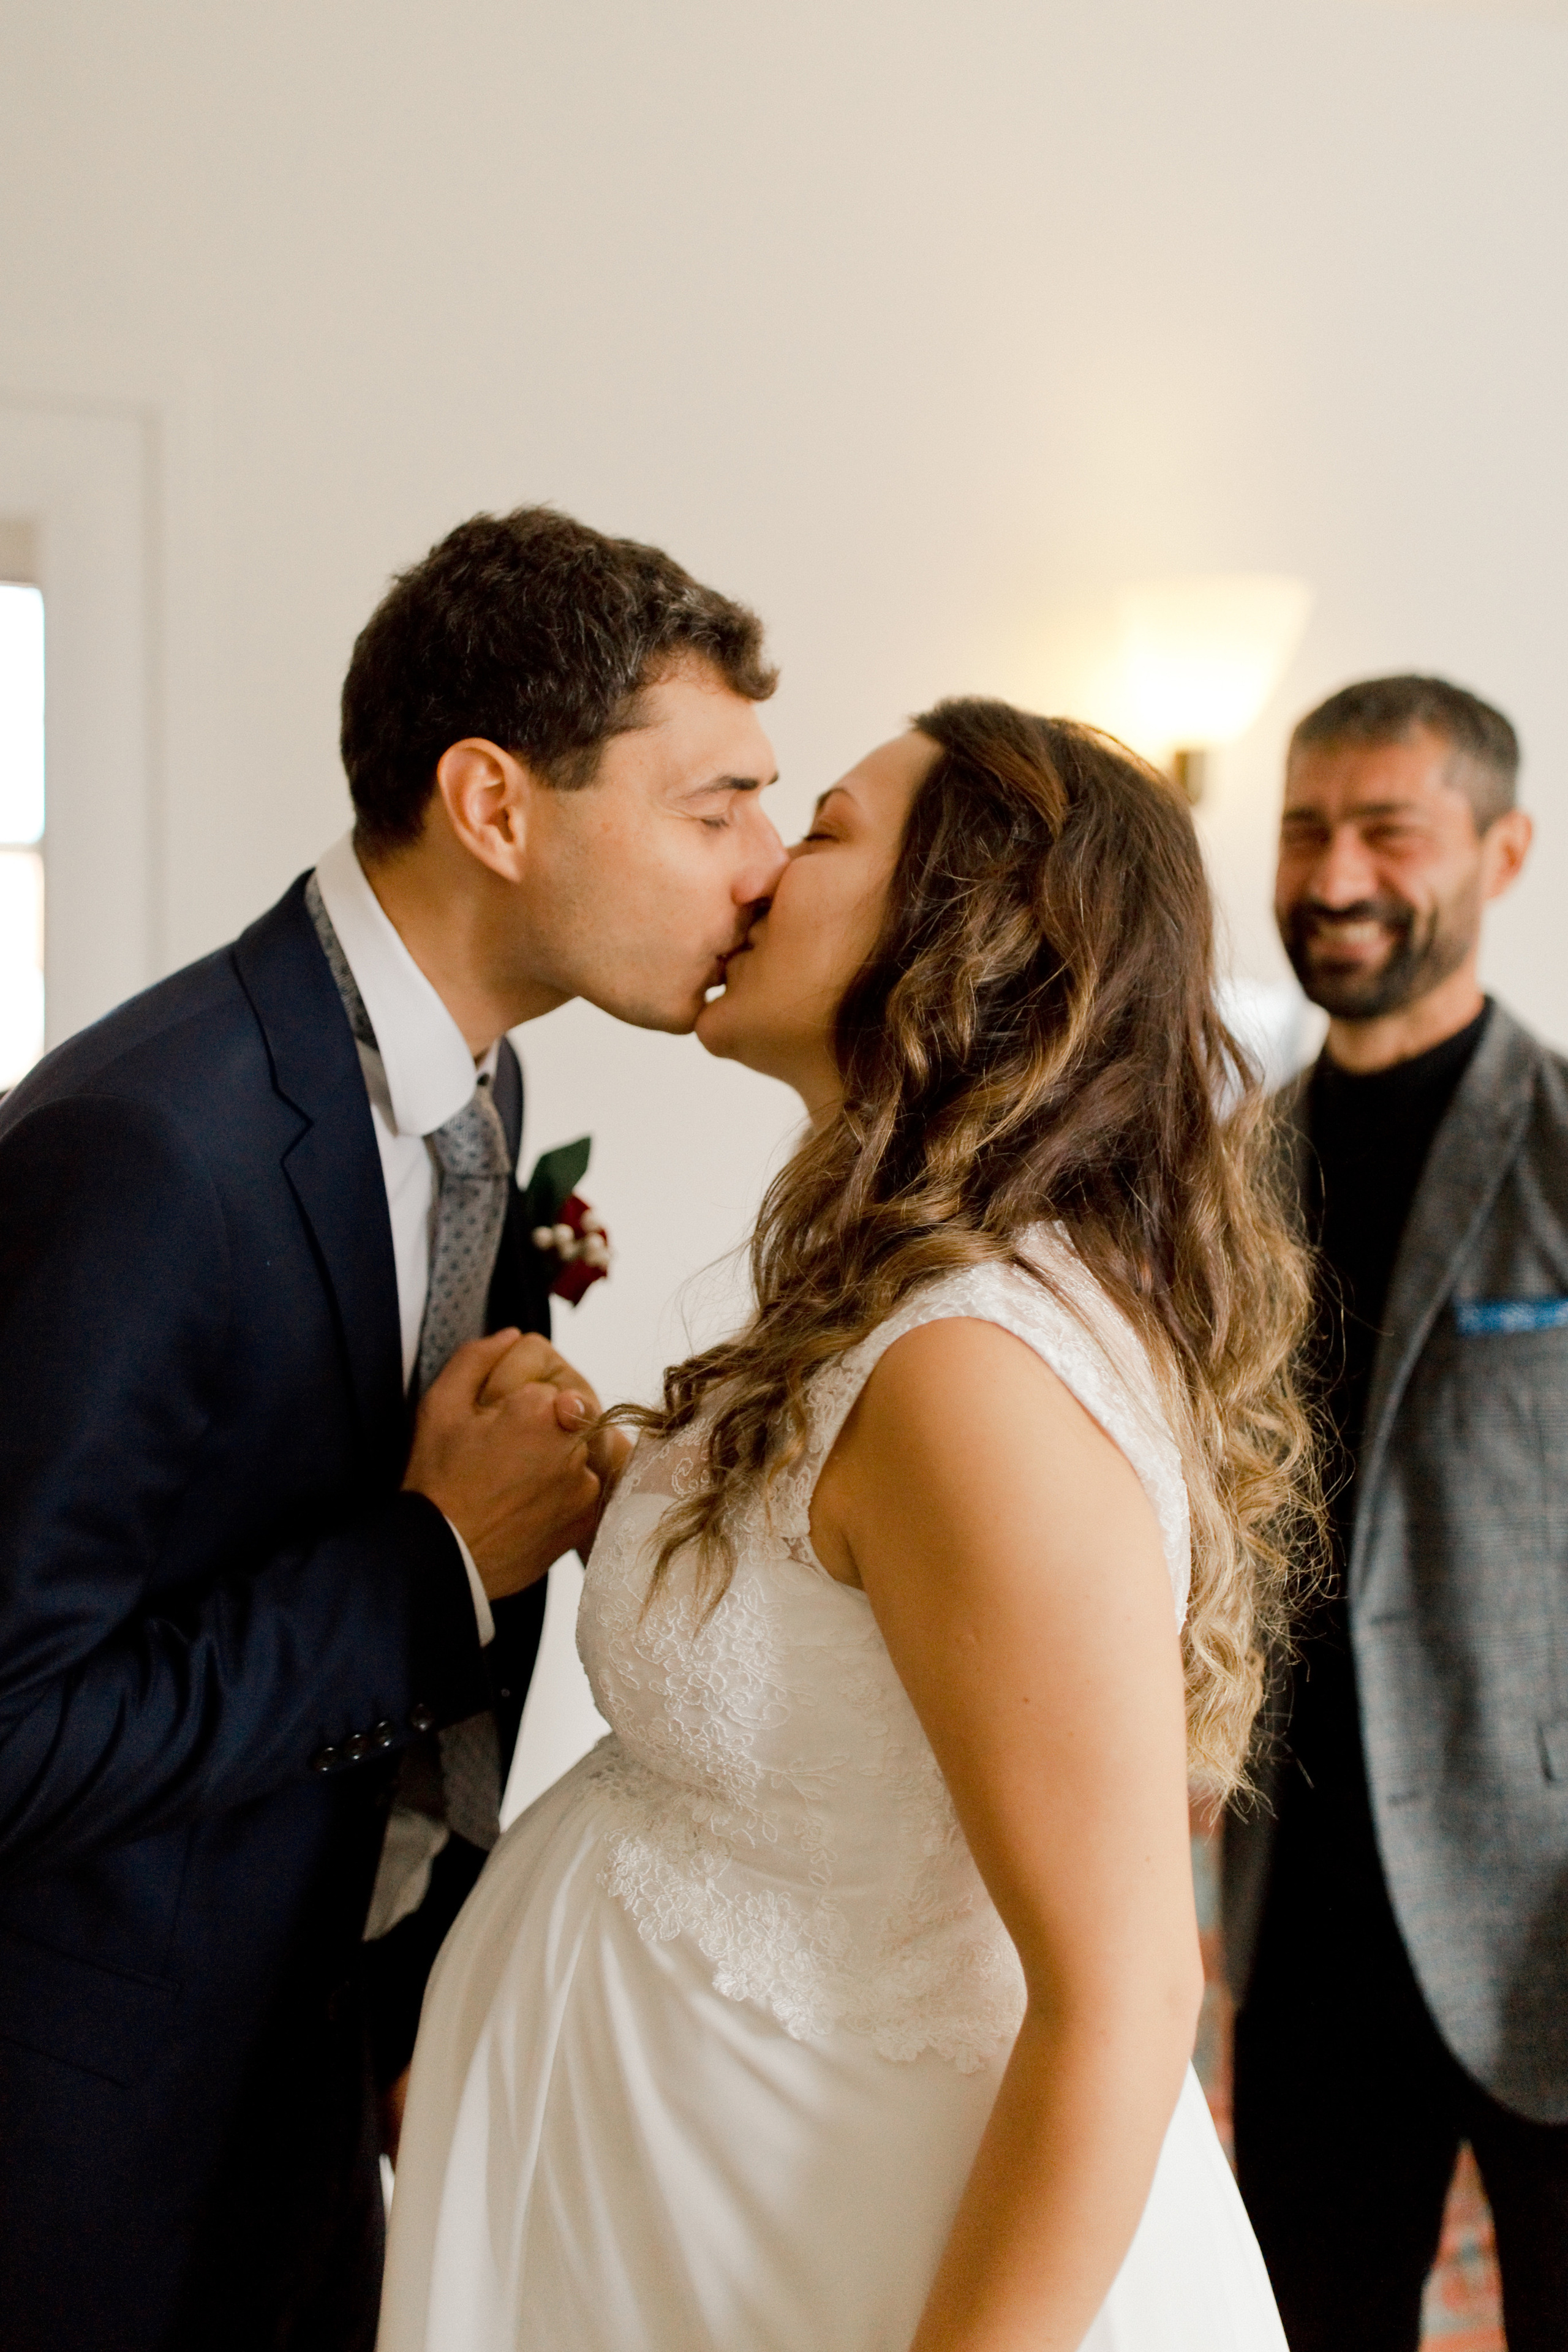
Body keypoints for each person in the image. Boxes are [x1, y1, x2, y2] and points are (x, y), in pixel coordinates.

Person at [380, 699, 1314, 2351]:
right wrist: (603, 1484)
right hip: (688, 2220)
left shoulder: (973, 1373)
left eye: (814, 830)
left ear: (966, 931)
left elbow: (1128, 1994)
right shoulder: (889, 1303)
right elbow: (828, 1652)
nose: (751, 872)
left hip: (842, 2252)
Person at [0, 507, 785, 2352]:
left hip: (313, 2055)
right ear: (496, 806)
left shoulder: (484, 1078)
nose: (764, 866)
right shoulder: (146, 1148)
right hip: (91, 2132)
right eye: (715, 806)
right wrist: (433, 1568)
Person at [1223, 674, 1568, 2351]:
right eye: (1304, 829)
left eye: (1386, 831)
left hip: (1548, 1905)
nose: (1334, 874)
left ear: (1501, 853)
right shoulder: (1219, 1182)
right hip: (1299, 1919)